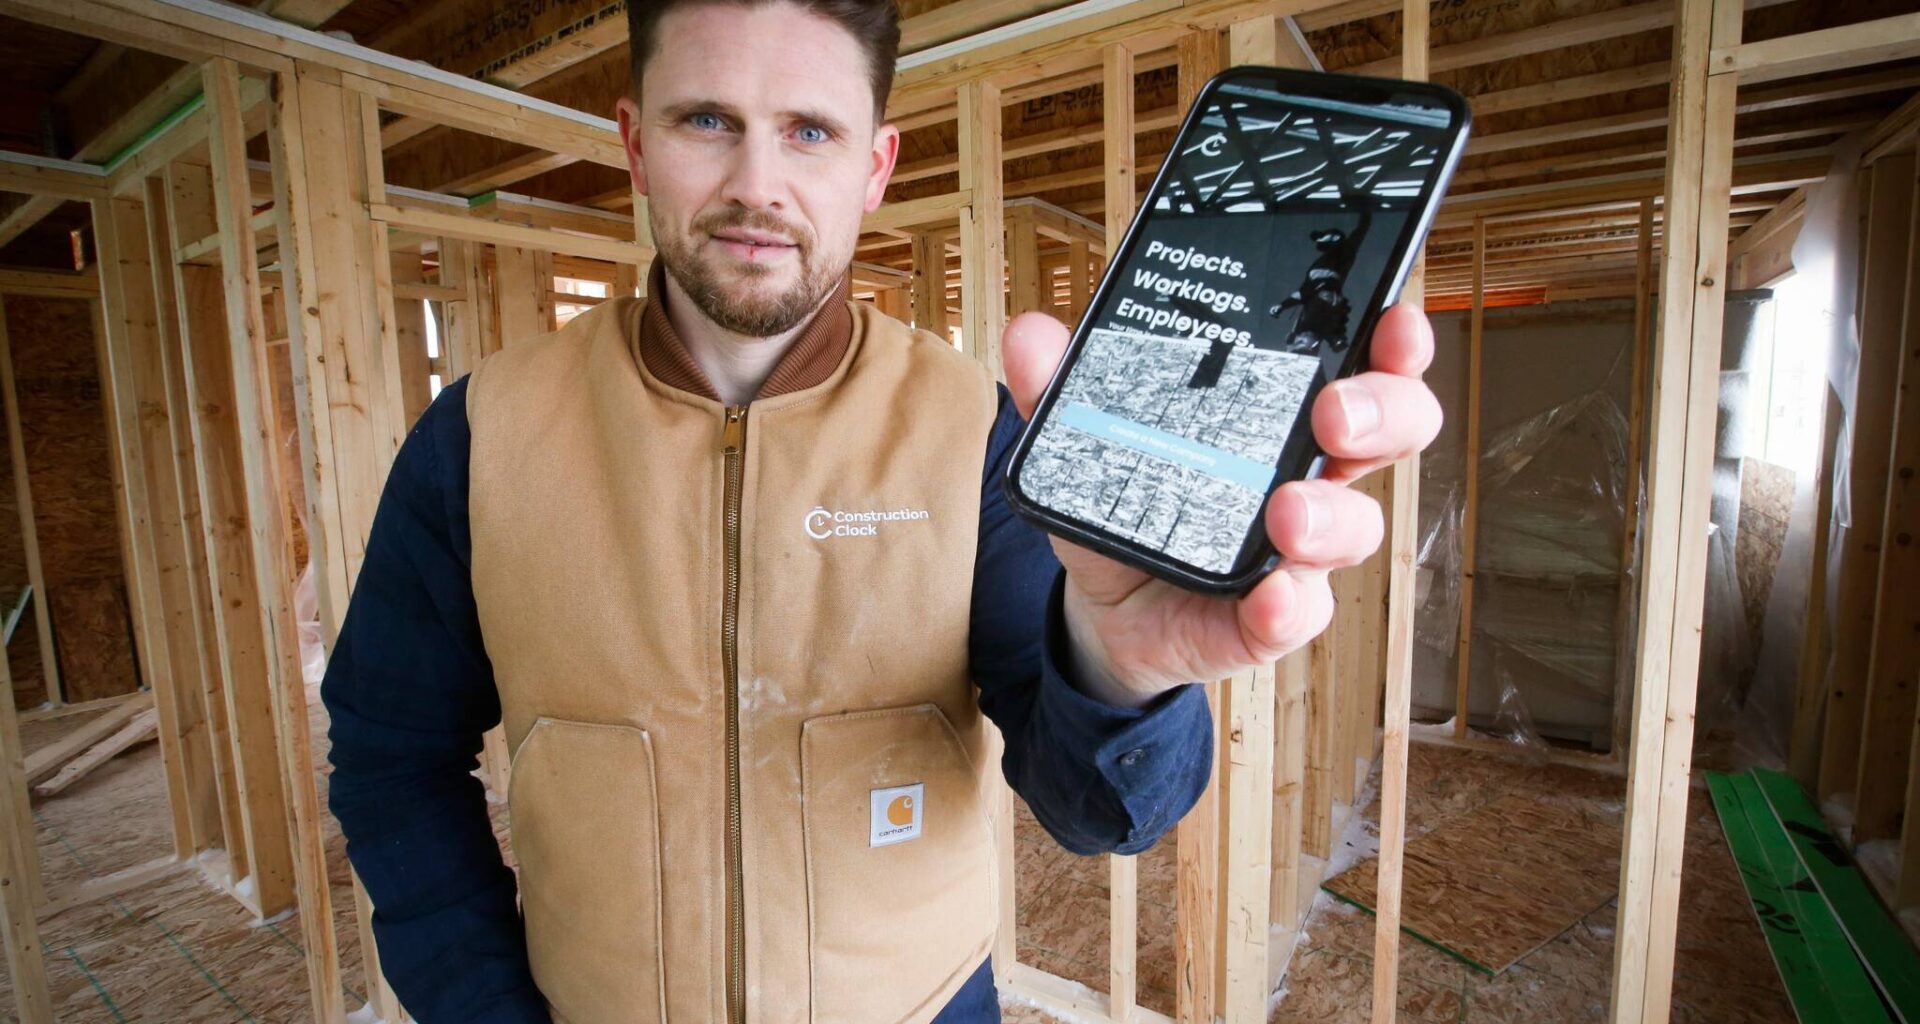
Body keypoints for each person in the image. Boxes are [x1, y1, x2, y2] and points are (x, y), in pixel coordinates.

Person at [319, 1, 1443, 1022]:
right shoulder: (480, 438)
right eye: (707, 120)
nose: (758, 184)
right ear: (635, 142)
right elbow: (390, 761)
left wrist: (1118, 675)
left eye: (810, 131)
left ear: (874, 167)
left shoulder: (975, 432)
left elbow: (1096, 809)